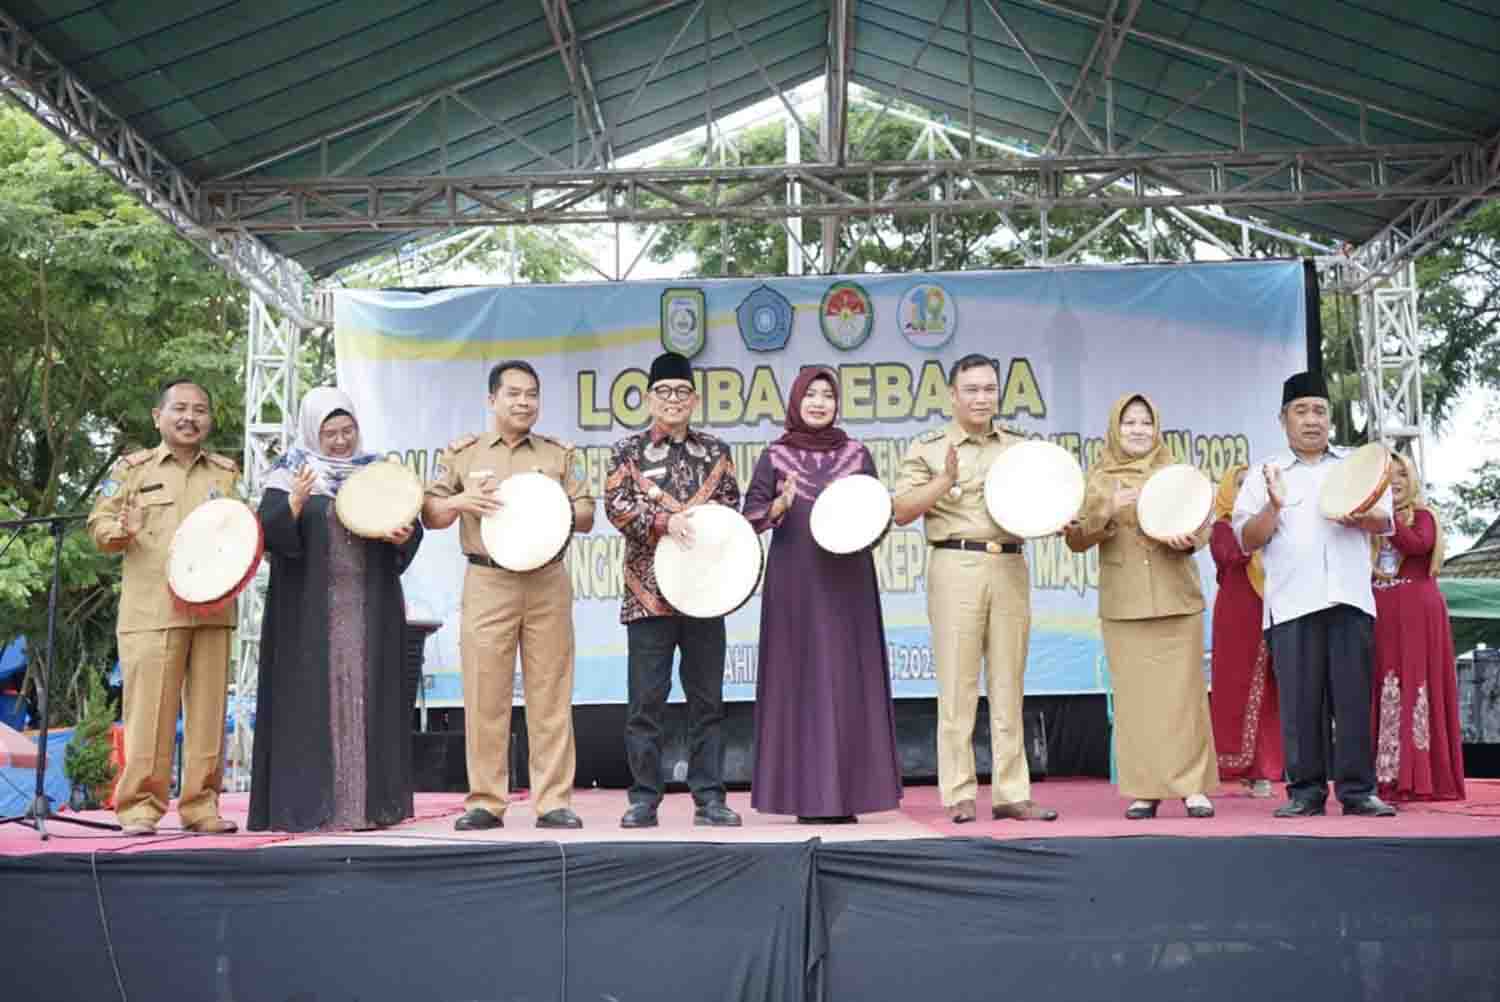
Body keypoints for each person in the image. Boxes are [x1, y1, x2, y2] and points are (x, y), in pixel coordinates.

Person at [423, 361, 594, 831]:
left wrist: (555, 507)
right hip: (488, 580)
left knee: (551, 693)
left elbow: (586, 515)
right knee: (485, 692)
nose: (524, 402)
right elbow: (431, 513)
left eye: (532, 394)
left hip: (546, 580)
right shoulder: (464, 454)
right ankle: (486, 801)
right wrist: (461, 502)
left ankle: (554, 801)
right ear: (492, 400)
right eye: (514, 394)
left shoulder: (558, 455)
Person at [893, 354, 1057, 824]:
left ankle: (1012, 793)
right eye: (972, 389)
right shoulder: (928, 448)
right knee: (958, 686)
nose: (981, 397)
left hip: (1008, 564)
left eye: (989, 388)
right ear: (952, 394)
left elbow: (1045, 500)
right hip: (954, 562)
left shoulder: (1021, 449)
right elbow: (902, 510)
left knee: (1010, 684)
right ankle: (959, 793)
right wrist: (944, 481)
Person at [249, 388, 422, 833]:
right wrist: (294, 503)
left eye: (348, 431)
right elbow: (266, 534)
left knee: (370, 701)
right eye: (330, 433)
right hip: (308, 614)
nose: (341, 441)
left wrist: (405, 536)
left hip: (369, 609)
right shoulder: (290, 473)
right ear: (313, 431)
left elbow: (409, 526)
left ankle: (365, 808)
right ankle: (313, 808)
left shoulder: (378, 472)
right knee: (312, 703)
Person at [1233, 371, 1397, 818]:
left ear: (1331, 419)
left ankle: (1358, 791)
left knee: (1352, 699)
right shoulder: (1264, 473)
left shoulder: (1353, 466)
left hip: (1349, 598)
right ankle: (1304, 792)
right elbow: (1247, 539)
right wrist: (1273, 505)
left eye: (1320, 411)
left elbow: (1386, 520)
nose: (1312, 420)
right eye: (1301, 411)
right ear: (1283, 419)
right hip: (1292, 603)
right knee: (1300, 703)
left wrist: (1359, 516)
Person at [742, 368, 902, 823]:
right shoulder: (775, 456)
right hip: (795, 582)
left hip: (847, 580)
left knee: (848, 677)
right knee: (800, 680)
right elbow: (749, 517)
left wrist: (858, 524)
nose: (818, 402)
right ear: (795, 401)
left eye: (827, 394)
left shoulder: (857, 454)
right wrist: (778, 507)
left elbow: (879, 517)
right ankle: (805, 798)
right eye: (809, 394)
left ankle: (849, 796)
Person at [87, 380, 241, 836]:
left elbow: (242, 530)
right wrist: (122, 529)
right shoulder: (132, 470)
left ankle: (201, 806)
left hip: (213, 610)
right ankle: (139, 807)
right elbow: (98, 526)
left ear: (209, 420)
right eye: (180, 408)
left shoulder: (226, 473)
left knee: (210, 715)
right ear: (158, 417)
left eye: (200, 409)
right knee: (149, 716)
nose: (190, 417)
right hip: (151, 611)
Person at [604, 351, 743, 829]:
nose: (673, 400)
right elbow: (617, 507)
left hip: (707, 594)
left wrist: (703, 527)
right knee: (647, 704)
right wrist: (664, 522)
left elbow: (731, 511)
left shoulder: (716, 452)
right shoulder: (627, 451)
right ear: (648, 398)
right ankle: (644, 798)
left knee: (708, 702)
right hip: (648, 596)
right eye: (663, 392)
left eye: (682, 392)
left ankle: (710, 798)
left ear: (695, 399)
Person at [1065, 394, 1219, 819]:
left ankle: (1193, 788)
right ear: (1116, 428)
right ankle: (1145, 790)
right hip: (1124, 602)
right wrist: (1108, 509)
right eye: (1129, 422)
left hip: (1176, 597)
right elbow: (1076, 539)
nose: (1137, 430)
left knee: (1185, 696)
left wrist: (1189, 538)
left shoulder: (1176, 473)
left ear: (1157, 429)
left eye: (1145, 423)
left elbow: (1202, 528)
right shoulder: (1098, 478)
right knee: (1136, 701)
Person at [1371, 453, 1465, 802]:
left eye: (1401, 474)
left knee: (1416, 683)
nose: (1395, 481)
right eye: (1387, 475)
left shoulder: (1421, 515)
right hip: (1382, 612)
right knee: (1385, 683)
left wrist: (1386, 522)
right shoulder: (1369, 522)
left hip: (1417, 612)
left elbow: (1418, 544)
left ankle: (1419, 776)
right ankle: (1385, 774)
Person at [1208, 465, 1283, 797]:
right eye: (1237, 485)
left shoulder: (1274, 523)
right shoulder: (1222, 526)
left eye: (1248, 485)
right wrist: (1256, 534)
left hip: (1273, 606)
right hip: (1237, 613)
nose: (1242, 491)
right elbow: (1229, 554)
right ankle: (1239, 767)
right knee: (1239, 688)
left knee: (1270, 689)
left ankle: (1266, 768)